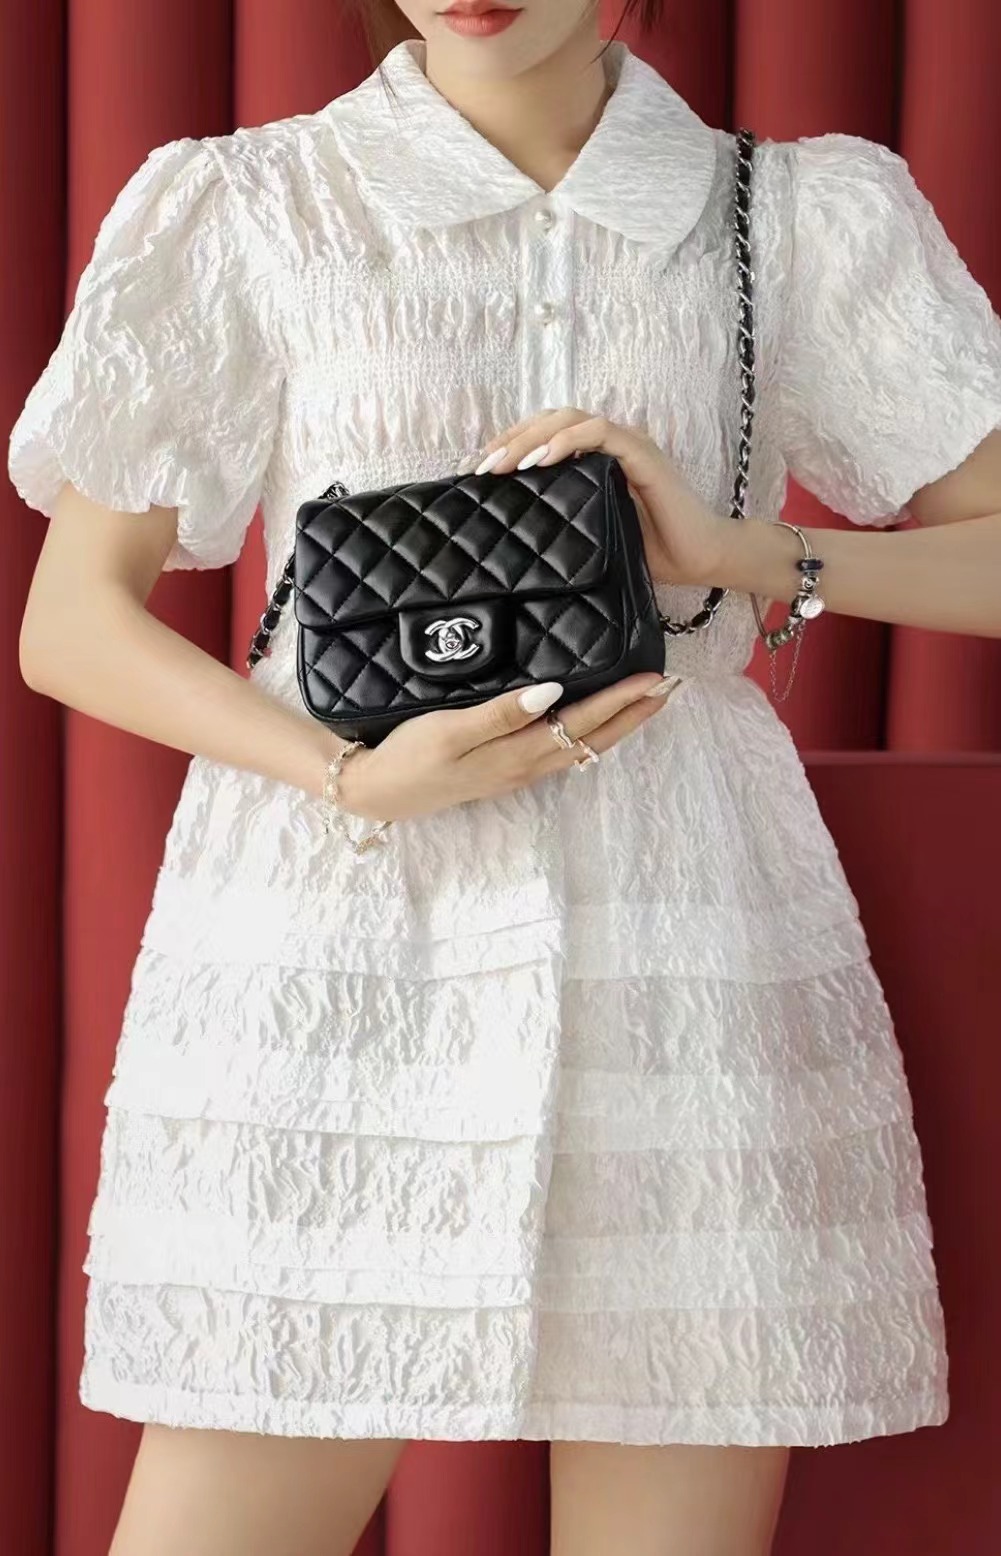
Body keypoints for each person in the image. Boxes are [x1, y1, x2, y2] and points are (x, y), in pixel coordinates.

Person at [9, 0, 1001, 1552]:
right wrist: (349, 779)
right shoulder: (252, 203)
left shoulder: (804, 215)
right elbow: (69, 623)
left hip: (683, 943)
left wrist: (739, 551)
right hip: (332, 932)